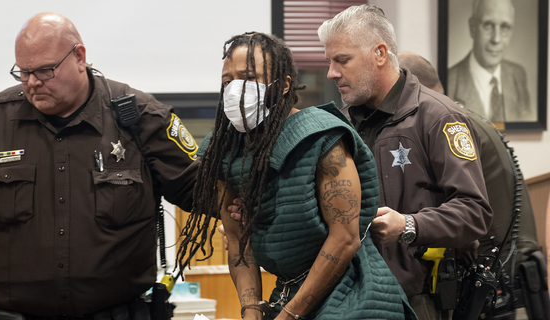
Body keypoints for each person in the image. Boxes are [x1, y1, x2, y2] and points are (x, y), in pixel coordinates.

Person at [0, 12, 199, 319]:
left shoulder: (141, 119)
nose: (33, 83)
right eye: (23, 72)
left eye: (45, 70)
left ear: (79, 57)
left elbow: (202, 190)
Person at [176, 32, 414, 320]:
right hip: (288, 292)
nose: (235, 88)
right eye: (228, 81)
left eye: (249, 77)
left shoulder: (322, 138)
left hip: (354, 298)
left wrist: (289, 315)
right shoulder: (225, 149)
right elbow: (238, 242)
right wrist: (251, 311)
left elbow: (345, 239)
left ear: (284, 84)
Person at [318, 5, 492, 320]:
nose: (331, 72)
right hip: (352, 295)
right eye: (329, 61)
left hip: (418, 300)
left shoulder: (439, 117)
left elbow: (474, 212)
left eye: (342, 60)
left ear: (380, 53)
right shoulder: (342, 123)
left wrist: (410, 225)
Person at [399, 51, 545, 320]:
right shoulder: (465, 116)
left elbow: (466, 215)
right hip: (517, 274)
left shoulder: (448, 122)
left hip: (498, 283)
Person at [447, 0, 531, 123]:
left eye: (505, 27)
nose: (496, 39)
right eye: (488, 25)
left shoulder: (518, 75)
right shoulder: (448, 83)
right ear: (472, 28)